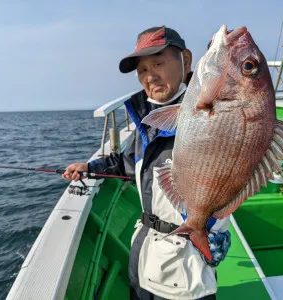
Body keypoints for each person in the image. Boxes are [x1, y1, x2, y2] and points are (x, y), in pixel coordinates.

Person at [63, 26, 231, 300]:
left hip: (187, 258)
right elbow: (131, 163)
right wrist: (90, 167)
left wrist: (227, 58)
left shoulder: (211, 112)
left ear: (186, 61)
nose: (150, 76)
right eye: (142, 69)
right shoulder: (147, 118)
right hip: (144, 252)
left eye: (159, 63)